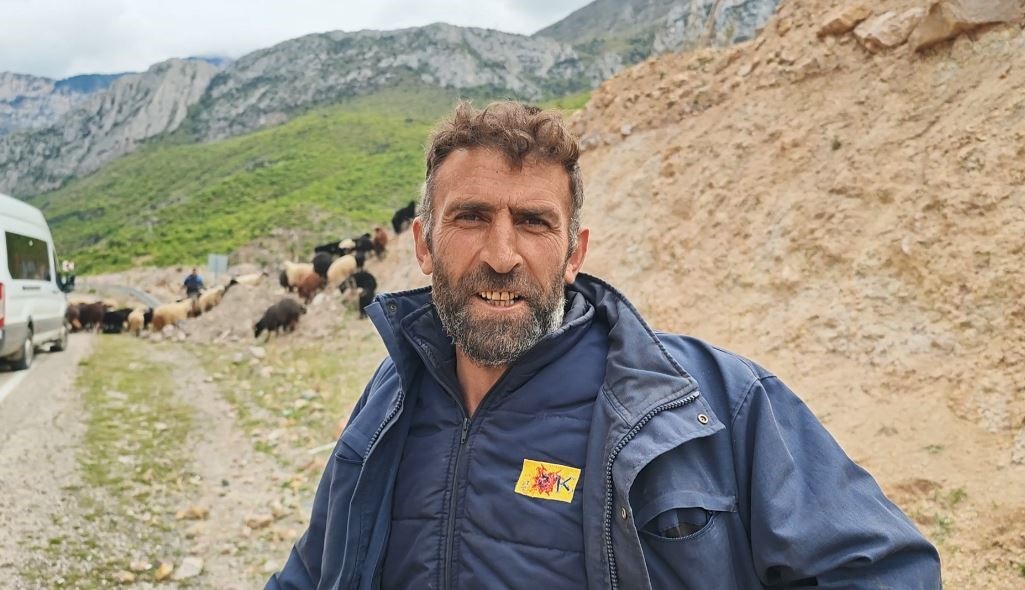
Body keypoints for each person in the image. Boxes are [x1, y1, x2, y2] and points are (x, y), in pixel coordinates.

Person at [267, 102, 941, 589]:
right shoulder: (389, 401)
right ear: (423, 245)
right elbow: (311, 573)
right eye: (470, 217)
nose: (501, 255)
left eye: (534, 222)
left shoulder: (710, 404)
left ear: (573, 254)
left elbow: (886, 572)